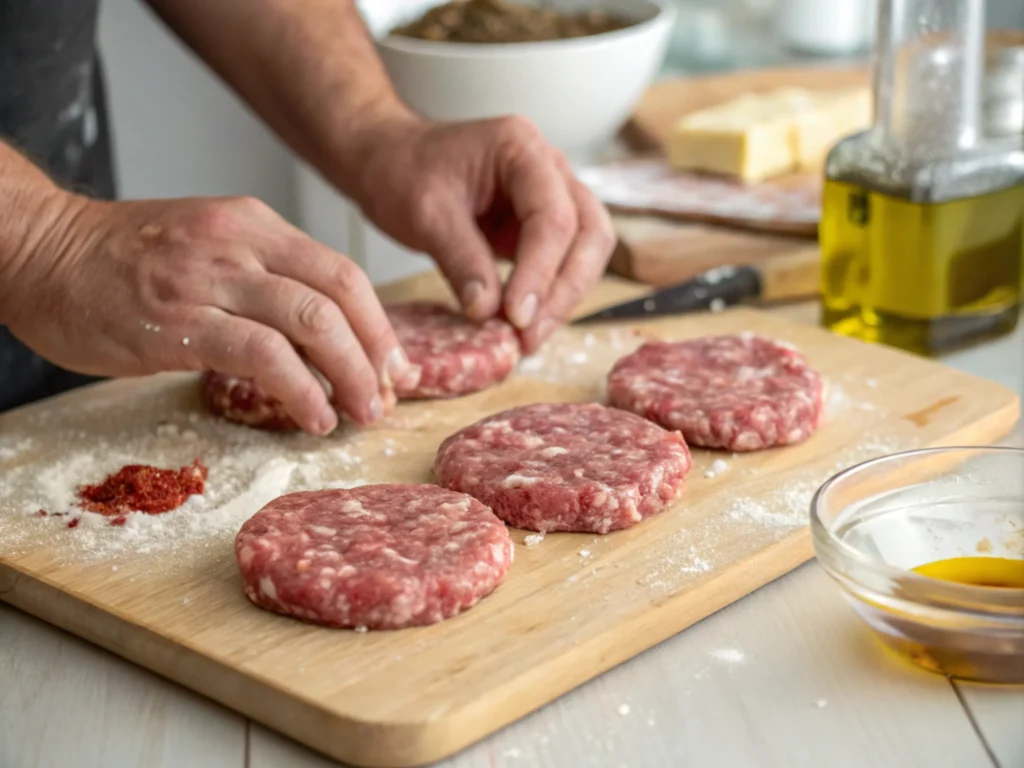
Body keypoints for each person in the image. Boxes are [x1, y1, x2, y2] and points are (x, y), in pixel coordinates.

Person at [0, 0, 615, 435]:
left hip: (66, 391)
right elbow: (47, 244)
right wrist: (43, 240)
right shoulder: (50, 247)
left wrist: (374, 131)